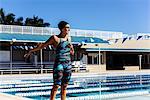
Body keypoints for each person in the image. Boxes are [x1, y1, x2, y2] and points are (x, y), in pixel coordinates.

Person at [24, 21, 74, 100]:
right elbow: (43, 46)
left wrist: (71, 49)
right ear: (61, 29)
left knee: (64, 86)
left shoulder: (69, 38)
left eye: (69, 28)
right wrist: (31, 51)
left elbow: (71, 50)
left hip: (68, 64)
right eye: (66, 27)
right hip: (59, 64)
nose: (68, 29)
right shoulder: (55, 38)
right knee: (56, 85)